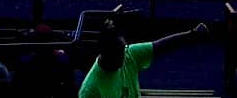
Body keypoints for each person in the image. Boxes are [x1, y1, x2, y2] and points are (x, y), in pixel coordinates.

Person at [78, 20, 208, 98]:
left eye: (123, 49)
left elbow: (161, 46)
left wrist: (193, 34)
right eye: (117, 53)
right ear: (104, 52)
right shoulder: (91, 90)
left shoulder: (128, 54)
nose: (123, 56)